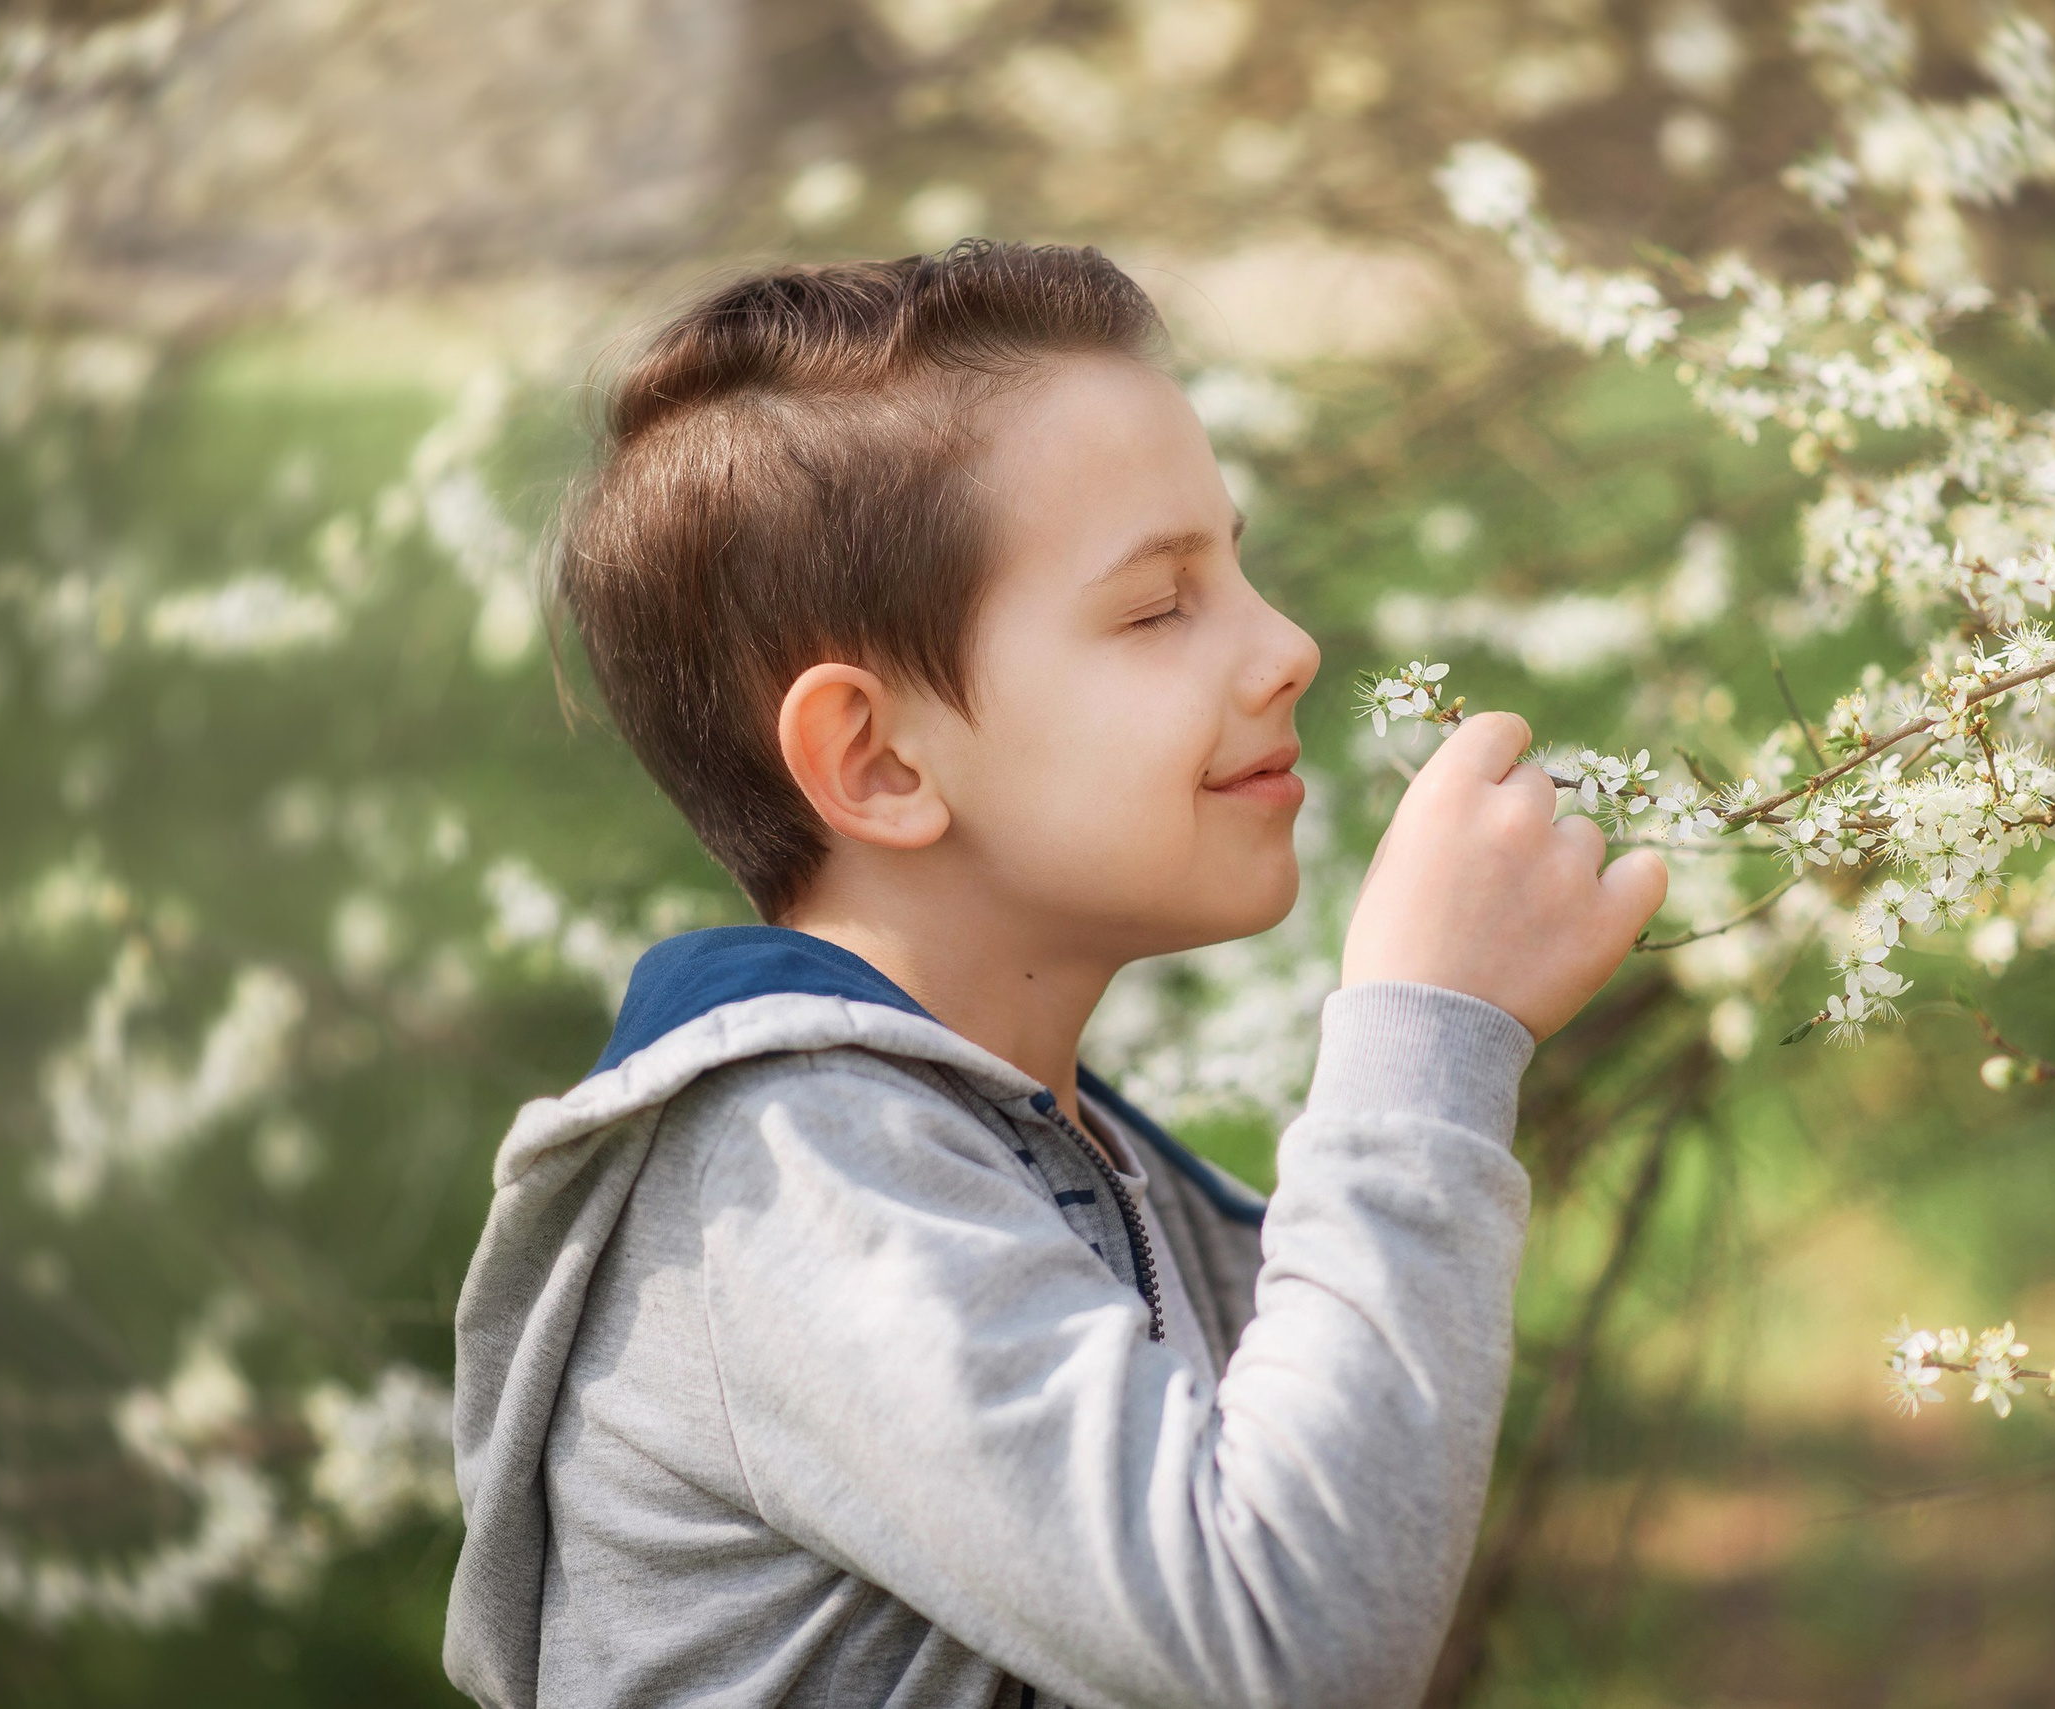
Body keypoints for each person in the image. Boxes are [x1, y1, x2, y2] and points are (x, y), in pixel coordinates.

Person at [443, 238, 1666, 1709]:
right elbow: (1292, 1643)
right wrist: (1426, 1041)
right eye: (1157, 607)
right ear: (878, 758)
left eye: (1240, 564)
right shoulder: (784, 1180)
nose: (1286, 644)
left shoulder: (1086, 1179)